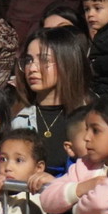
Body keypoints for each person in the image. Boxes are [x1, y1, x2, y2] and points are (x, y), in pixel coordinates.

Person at [12, 27, 92, 173]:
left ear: (67, 62)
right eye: (28, 60)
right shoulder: (19, 119)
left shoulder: (90, 117)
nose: (32, 68)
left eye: (44, 60)